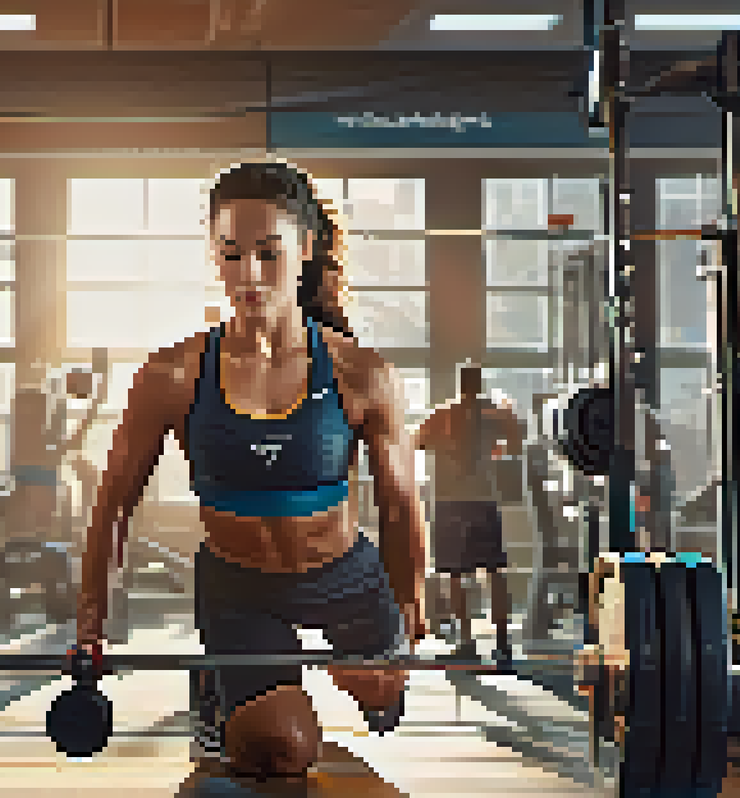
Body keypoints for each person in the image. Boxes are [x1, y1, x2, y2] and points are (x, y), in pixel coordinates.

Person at [74, 160, 428, 779]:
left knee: (379, 699)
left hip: (345, 578)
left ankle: (369, 683)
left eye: (268, 253)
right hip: (240, 588)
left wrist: (410, 612)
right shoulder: (170, 375)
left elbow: (400, 504)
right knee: (280, 752)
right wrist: (88, 632)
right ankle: (222, 693)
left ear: (306, 248)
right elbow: (112, 509)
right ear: (213, 254)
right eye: (231, 254)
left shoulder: (360, 371)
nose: (249, 275)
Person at [413, 363, 525, 660]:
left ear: (460, 385)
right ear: (480, 384)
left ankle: (466, 641)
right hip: (483, 499)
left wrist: (445, 446)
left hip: (451, 501)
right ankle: (502, 642)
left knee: (455, 573)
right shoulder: (493, 415)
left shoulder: (443, 414)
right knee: (494, 571)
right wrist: (494, 447)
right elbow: (516, 443)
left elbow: (416, 441)